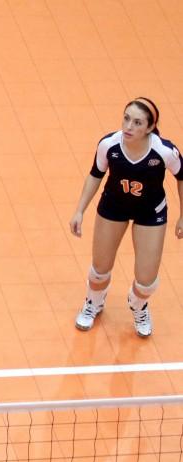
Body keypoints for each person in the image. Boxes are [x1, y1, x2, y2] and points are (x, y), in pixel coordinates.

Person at [69, 97, 183, 337]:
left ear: (150, 128)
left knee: (146, 280)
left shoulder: (164, 151)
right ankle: (93, 302)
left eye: (138, 122)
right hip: (113, 206)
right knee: (100, 268)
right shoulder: (109, 145)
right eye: (127, 118)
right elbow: (95, 174)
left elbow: (182, 177)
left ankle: (138, 305)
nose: (129, 126)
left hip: (150, 212)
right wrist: (80, 210)